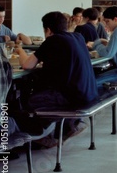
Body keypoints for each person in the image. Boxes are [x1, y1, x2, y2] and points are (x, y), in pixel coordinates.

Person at [15, 11, 98, 139]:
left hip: (73, 97)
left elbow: (27, 65)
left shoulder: (53, 40)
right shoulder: (78, 37)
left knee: (27, 101)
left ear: (48, 30)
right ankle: (57, 130)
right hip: (89, 92)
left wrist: (20, 50)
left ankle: (41, 134)